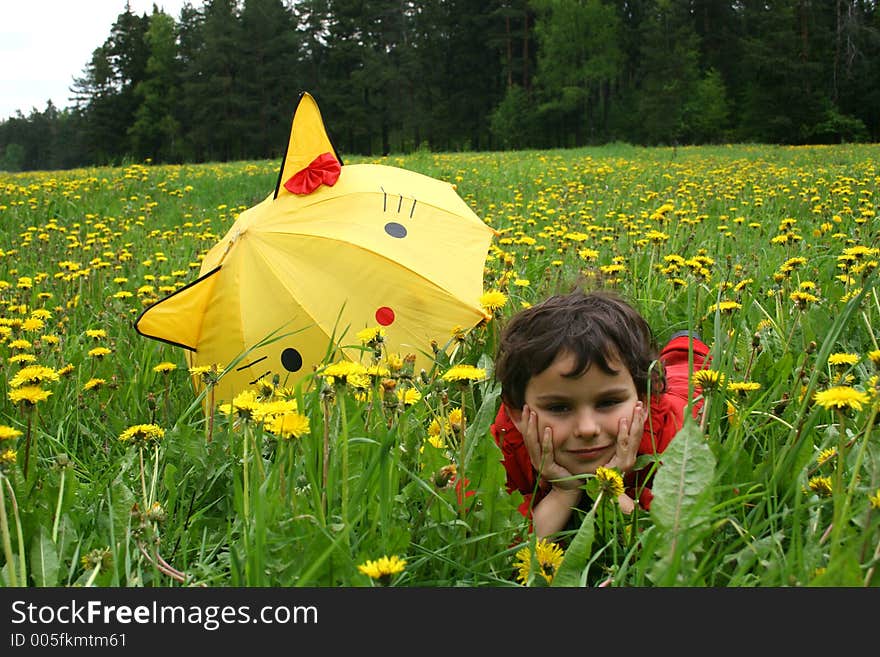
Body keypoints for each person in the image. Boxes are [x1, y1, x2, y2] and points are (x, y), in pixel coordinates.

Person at [490, 288, 710, 538]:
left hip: (677, 393)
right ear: (518, 414)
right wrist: (563, 493)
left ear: (644, 401)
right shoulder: (501, 446)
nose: (587, 428)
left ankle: (685, 343)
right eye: (559, 407)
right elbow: (499, 545)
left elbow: (668, 540)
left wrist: (610, 488)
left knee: (687, 371)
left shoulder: (672, 437)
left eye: (608, 402)